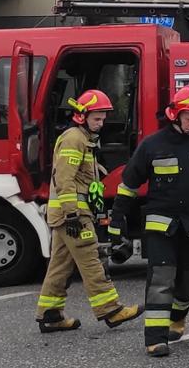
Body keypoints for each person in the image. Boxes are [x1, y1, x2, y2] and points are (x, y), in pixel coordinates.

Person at [113, 85, 189, 357]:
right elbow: (128, 186)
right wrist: (117, 220)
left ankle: (177, 318)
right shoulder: (152, 145)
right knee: (161, 278)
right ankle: (155, 338)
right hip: (160, 225)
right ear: (175, 114)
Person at [36, 89, 141, 333]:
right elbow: (65, 180)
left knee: (60, 266)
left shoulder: (83, 139)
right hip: (72, 214)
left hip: (66, 213)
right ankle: (111, 310)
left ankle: (50, 314)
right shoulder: (74, 138)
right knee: (92, 260)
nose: (101, 123)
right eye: (97, 118)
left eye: (103, 119)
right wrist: (72, 213)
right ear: (82, 116)